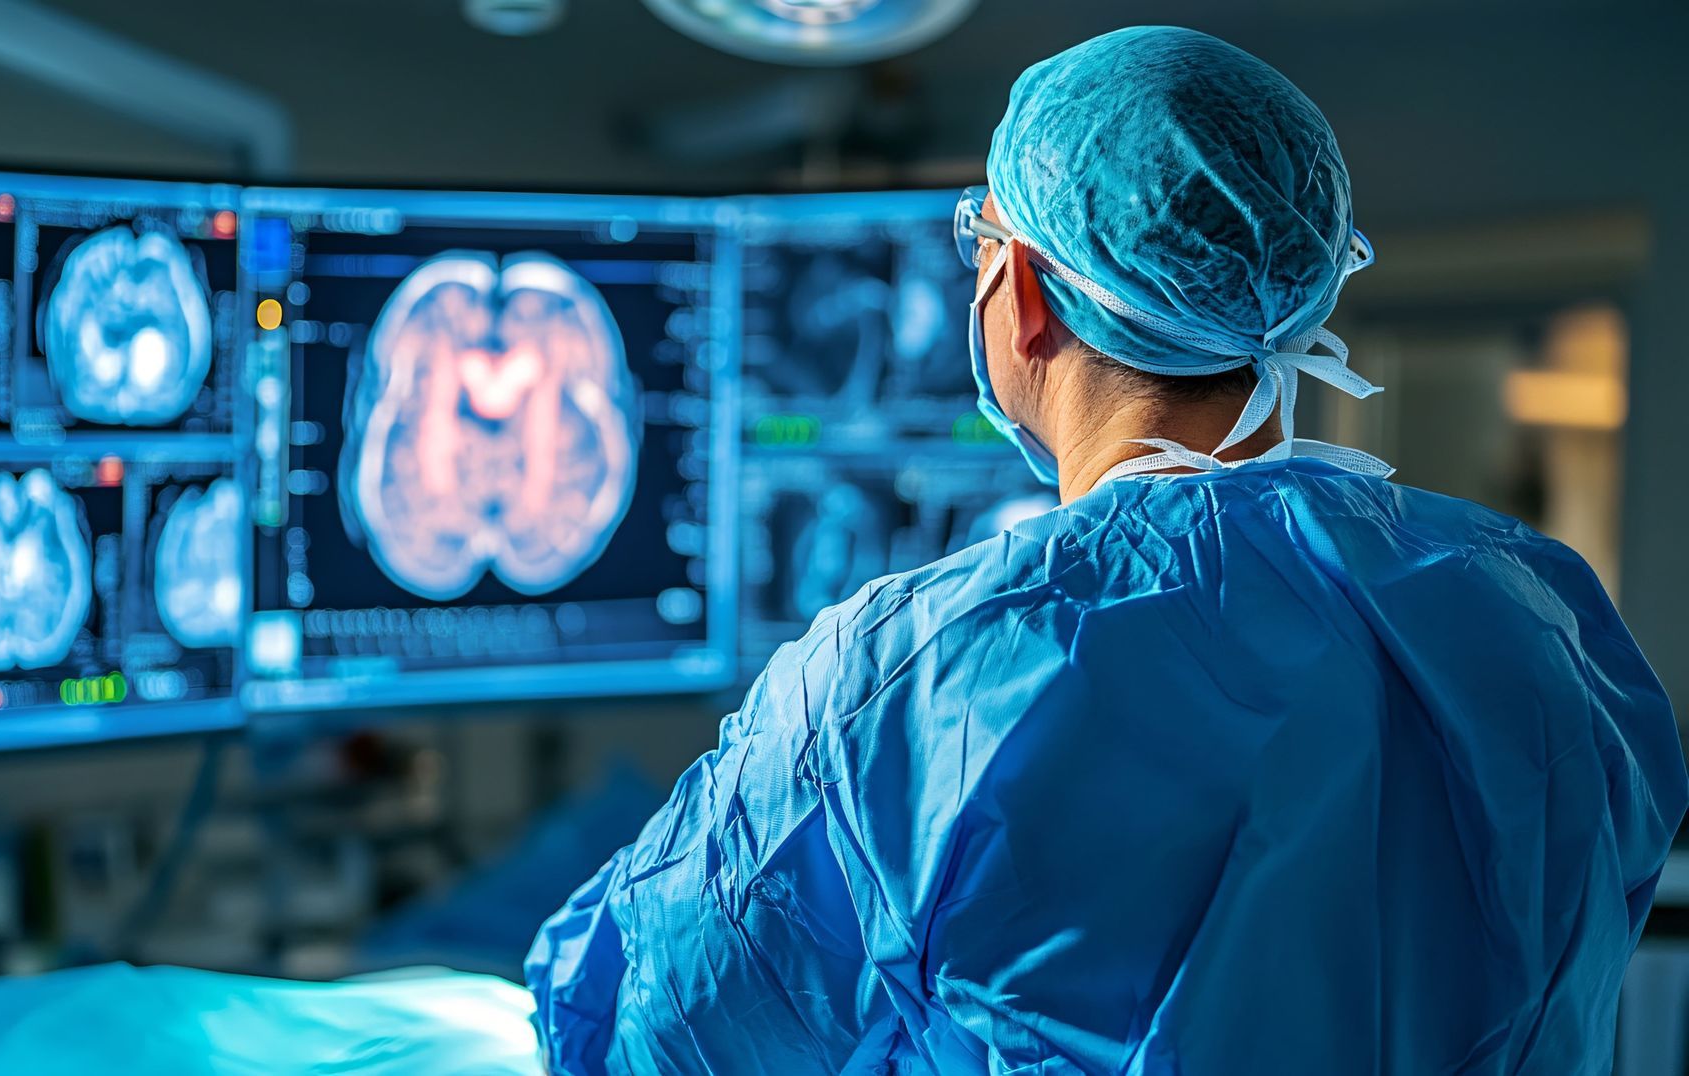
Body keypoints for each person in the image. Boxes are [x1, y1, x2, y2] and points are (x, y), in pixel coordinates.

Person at [526, 25, 1687, 1075]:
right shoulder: (1545, 616)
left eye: (981, 237)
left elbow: (641, 1031)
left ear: (1020, 292)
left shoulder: (917, 672)